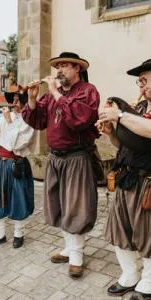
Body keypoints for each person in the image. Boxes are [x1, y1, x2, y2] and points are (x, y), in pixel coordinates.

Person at [22, 52, 100, 278]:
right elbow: (38, 122)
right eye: (57, 66)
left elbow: (80, 119)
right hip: (55, 158)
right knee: (60, 205)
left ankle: (77, 256)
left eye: (64, 66)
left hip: (76, 157)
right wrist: (32, 99)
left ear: (77, 69)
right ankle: (69, 248)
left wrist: (55, 91)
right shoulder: (50, 96)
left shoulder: (88, 91)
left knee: (76, 206)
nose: (59, 70)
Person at [97, 59, 151, 300]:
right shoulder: (138, 109)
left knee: (148, 234)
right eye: (140, 82)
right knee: (120, 230)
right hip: (126, 177)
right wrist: (111, 133)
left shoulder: (133, 114)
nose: (141, 87)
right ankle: (130, 275)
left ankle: (149, 283)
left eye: (145, 81)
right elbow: (123, 146)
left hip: (147, 181)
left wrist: (119, 114)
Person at [0, 87, 35, 249]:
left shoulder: (30, 121)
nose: (13, 103)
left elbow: (17, 144)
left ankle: (18, 234)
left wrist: (9, 121)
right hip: (2, 163)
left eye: (17, 100)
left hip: (17, 165)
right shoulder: (6, 116)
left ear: (26, 102)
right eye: (12, 99)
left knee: (18, 199)